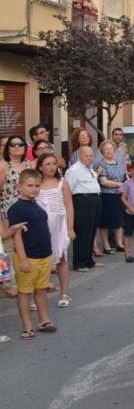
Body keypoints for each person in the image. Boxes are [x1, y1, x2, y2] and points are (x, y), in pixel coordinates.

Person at [7, 169, 57, 339]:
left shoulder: (36, 204)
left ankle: (44, 320)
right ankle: (27, 326)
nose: (34, 189)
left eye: (37, 185)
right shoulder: (16, 209)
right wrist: (22, 259)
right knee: (24, 291)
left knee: (41, 289)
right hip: (28, 257)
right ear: (19, 186)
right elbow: (17, 235)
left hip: (44, 254)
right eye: (30, 185)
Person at [34, 153, 74, 308]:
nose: (51, 167)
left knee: (62, 258)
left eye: (53, 164)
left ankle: (64, 293)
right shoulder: (35, 183)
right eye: (47, 164)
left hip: (59, 225)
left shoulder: (62, 182)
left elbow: (69, 205)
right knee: (38, 261)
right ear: (40, 167)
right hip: (40, 226)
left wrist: (70, 228)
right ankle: (37, 295)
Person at [1, 136, 33, 297]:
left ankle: (26, 288)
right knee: (9, 250)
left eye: (20, 144)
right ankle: (10, 284)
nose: (16, 147)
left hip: (27, 213)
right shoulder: (3, 166)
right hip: (8, 214)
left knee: (26, 251)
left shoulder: (29, 165)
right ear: (7, 149)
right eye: (12, 145)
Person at [65, 146, 100, 272]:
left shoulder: (89, 168)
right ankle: (79, 262)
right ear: (80, 156)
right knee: (82, 231)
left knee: (91, 230)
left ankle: (88, 260)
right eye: (87, 156)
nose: (89, 158)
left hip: (94, 199)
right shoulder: (74, 170)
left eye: (91, 156)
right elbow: (68, 188)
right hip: (82, 201)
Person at [95, 140, 126, 255]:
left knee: (118, 220)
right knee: (105, 222)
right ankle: (106, 245)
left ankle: (119, 243)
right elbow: (104, 182)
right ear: (102, 151)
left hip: (118, 195)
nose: (108, 151)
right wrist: (119, 185)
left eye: (110, 149)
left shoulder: (119, 162)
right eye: (106, 149)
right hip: (106, 196)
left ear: (114, 150)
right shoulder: (101, 164)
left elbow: (124, 177)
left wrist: (124, 187)